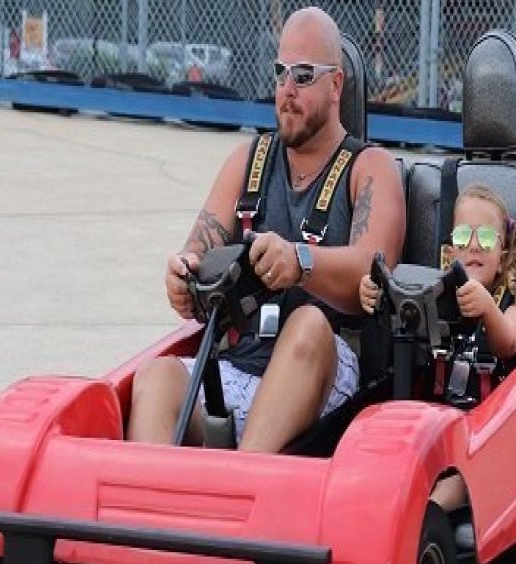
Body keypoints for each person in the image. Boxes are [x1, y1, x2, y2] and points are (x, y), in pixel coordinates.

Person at [127, 6, 406, 453]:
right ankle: (149, 492)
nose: (287, 90)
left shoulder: (370, 167)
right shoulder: (247, 161)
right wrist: (183, 278)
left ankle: (242, 478)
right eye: (280, 74)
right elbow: (195, 253)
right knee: (156, 376)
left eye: (303, 76)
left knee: (308, 323)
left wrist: (300, 261)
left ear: (336, 85)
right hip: (238, 368)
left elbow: (373, 272)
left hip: (325, 374)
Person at [359, 184, 516, 511]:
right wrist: (374, 294)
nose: (474, 245)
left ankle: (425, 513)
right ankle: (376, 497)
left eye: (486, 238)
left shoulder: (510, 304)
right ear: (450, 254)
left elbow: (508, 342)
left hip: (489, 432)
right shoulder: (435, 296)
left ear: (503, 256)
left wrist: (488, 309)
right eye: (463, 236)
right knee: (388, 434)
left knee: (464, 476)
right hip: (439, 421)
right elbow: (403, 317)